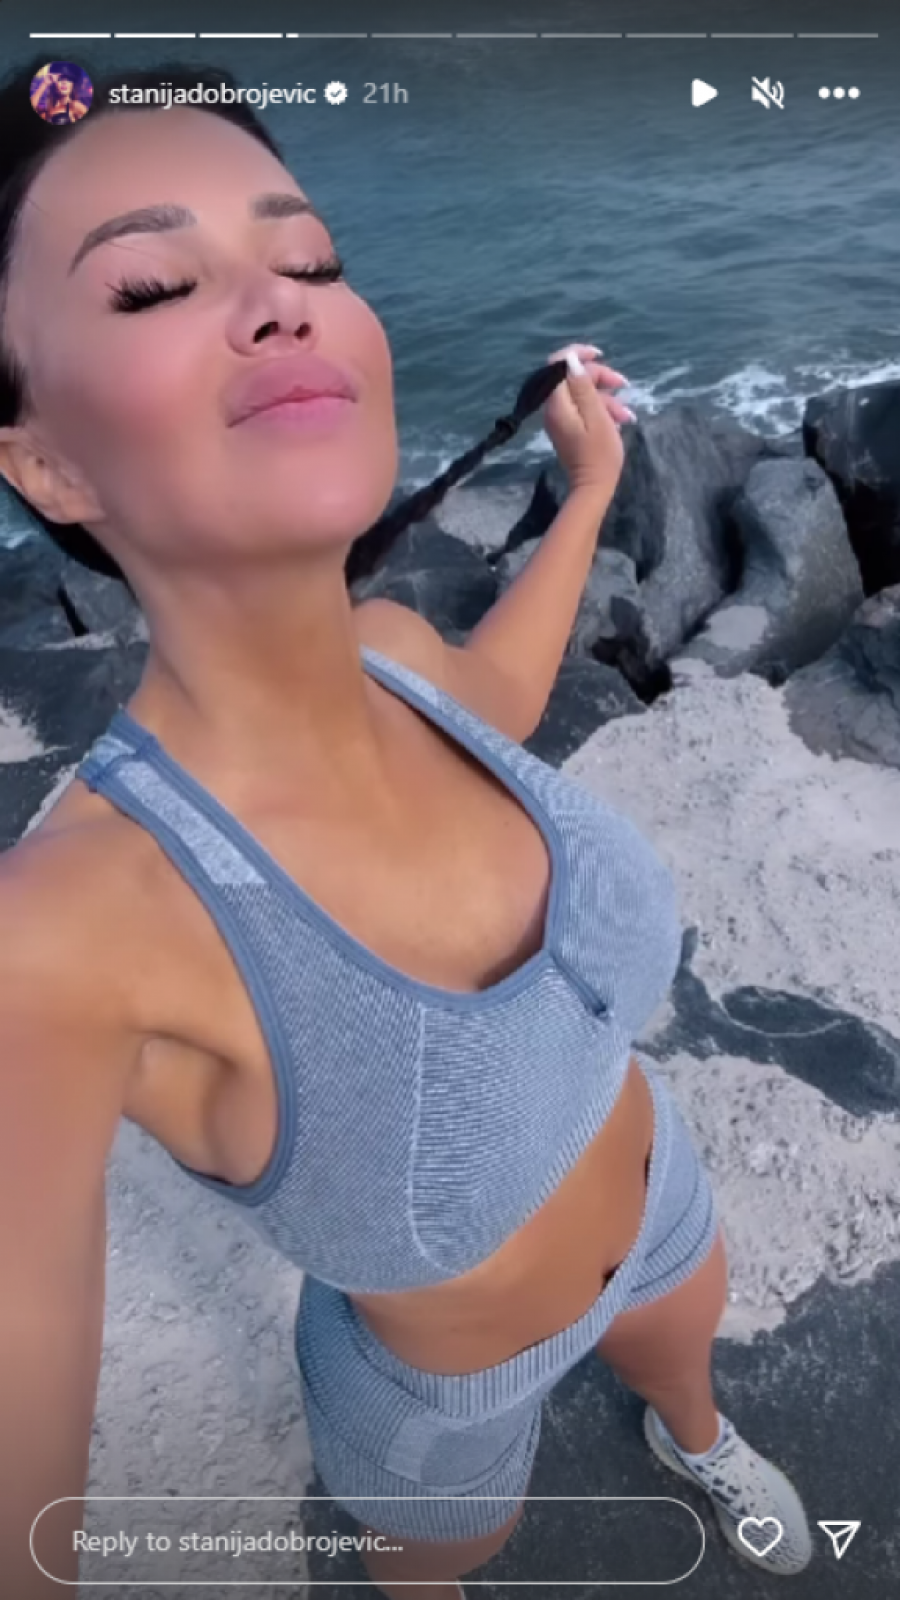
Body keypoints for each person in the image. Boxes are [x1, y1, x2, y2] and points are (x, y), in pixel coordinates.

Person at [0, 57, 812, 1599]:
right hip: (444, 1396)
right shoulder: (67, 929)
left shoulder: (391, 654)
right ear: (43, 462)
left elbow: (500, 689)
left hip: (660, 1207)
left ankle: (694, 1438)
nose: (282, 303)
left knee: (685, 1357)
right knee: (435, 1564)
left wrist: (591, 490)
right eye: (155, 283)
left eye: (310, 260)